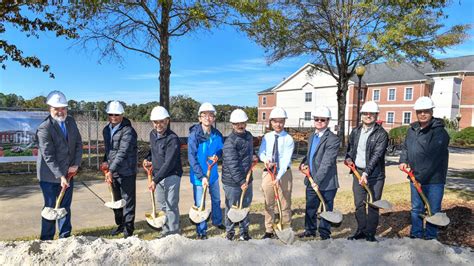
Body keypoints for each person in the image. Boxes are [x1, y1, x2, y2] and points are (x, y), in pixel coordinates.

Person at [399, 96, 449, 240]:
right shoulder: (412, 129)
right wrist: (403, 160)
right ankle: (416, 235)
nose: (422, 114)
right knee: (416, 209)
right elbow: (406, 148)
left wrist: (420, 178)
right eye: (419, 111)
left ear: (431, 111)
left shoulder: (439, 132)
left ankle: (431, 237)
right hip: (415, 178)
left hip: (434, 180)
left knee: (433, 210)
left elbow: (435, 159)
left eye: (426, 111)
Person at [36, 90, 82, 240]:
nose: (60, 112)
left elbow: (79, 144)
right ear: (50, 109)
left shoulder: (71, 121)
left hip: (69, 172)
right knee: (50, 207)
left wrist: (75, 164)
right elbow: (48, 155)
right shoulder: (45, 128)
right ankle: (47, 239)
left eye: (63, 108)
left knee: (64, 206)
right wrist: (61, 175)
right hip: (49, 176)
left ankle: (65, 237)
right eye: (57, 108)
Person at [345, 101, 388, 242]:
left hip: (375, 175)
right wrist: (348, 158)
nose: (368, 116)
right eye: (365, 113)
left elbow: (377, 155)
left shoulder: (381, 134)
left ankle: (370, 233)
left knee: (374, 204)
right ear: (361, 115)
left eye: (371, 113)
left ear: (376, 115)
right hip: (358, 172)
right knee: (359, 204)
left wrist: (366, 173)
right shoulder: (355, 131)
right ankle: (361, 230)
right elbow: (351, 149)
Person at [299, 106, 340, 240]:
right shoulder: (312, 136)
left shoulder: (333, 139)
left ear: (328, 121)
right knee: (310, 207)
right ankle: (310, 230)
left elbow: (326, 163)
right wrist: (303, 163)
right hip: (311, 179)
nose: (319, 121)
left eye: (323, 119)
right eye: (317, 119)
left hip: (327, 182)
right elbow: (309, 155)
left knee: (326, 208)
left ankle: (324, 234)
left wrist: (316, 180)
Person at [144, 106, 183, 237]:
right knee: (162, 205)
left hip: (172, 175)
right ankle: (165, 231)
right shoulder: (152, 135)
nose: (158, 125)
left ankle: (174, 233)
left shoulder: (172, 139)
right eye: (155, 122)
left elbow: (169, 163)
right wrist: (148, 159)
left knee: (171, 204)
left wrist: (155, 180)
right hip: (158, 176)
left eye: (161, 121)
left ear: (167, 121)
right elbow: (154, 151)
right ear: (152, 122)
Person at [188, 102, 224, 239]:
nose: (208, 118)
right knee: (200, 203)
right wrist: (201, 176)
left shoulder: (217, 134)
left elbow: (221, 149)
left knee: (216, 199)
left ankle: (217, 221)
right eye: (205, 115)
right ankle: (201, 231)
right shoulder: (194, 136)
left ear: (214, 118)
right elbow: (191, 158)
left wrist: (217, 156)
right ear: (199, 118)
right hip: (198, 177)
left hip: (213, 174)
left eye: (211, 115)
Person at [102, 101, 138, 238]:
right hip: (113, 171)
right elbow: (108, 150)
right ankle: (120, 225)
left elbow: (122, 152)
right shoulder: (106, 130)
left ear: (122, 115)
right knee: (116, 201)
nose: (113, 117)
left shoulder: (128, 131)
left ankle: (128, 231)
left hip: (126, 171)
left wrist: (111, 170)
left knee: (127, 201)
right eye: (111, 114)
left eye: (116, 114)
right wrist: (106, 163)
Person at [258, 107, 295, 239]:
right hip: (269, 172)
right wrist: (265, 160)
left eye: (281, 121)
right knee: (269, 201)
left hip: (283, 173)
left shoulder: (289, 139)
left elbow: (285, 160)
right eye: (275, 121)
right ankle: (269, 229)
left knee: (284, 201)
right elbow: (261, 152)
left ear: (284, 122)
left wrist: (278, 177)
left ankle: (285, 227)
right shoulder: (267, 137)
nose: (278, 124)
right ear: (271, 122)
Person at [222, 109, 254, 241]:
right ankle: (230, 232)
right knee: (232, 207)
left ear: (246, 123)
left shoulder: (249, 136)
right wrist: (241, 182)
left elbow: (248, 154)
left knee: (245, 206)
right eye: (237, 124)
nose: (240, 126)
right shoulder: (230, 142)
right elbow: (232, 164)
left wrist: (254, 156)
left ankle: (244, 232)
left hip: (247, 178)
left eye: (242, 123)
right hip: (232, 182)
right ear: (232, 125)